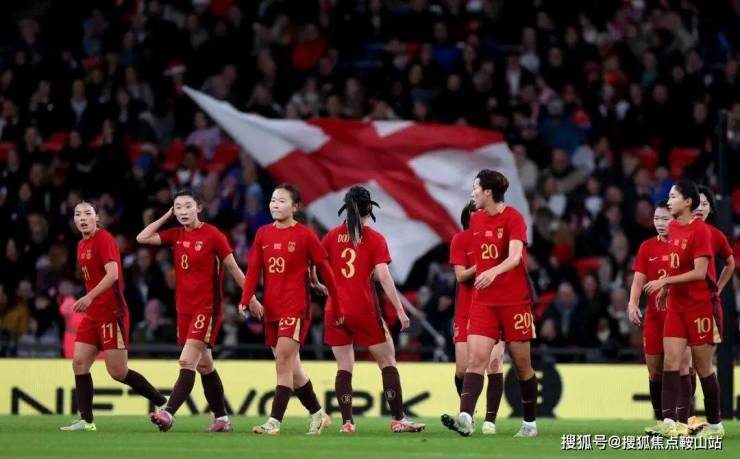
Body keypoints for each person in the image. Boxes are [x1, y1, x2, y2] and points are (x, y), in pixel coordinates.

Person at [137, 189, 260, 432]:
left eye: (187, 206)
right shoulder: (176, 234)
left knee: (186, 360)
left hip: (207, 308)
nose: (183, 211)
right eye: (178, 207)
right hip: (184, 310)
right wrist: (167, 216)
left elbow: (234, 269)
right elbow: (143, 237)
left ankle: (168, 414)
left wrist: (250, 297)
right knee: (205, 366)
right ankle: (222, 420)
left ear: (199, 208)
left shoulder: (213, 235)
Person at [319, 186, 424, 433]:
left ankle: (347, 422)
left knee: (344, 366)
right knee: (387, 360)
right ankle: (399, 419)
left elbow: (316, 265)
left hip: (334, 309)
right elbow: (384, 277)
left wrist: (318, 285)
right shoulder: (375, 238)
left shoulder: (331, 236)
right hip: (363, 308)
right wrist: (400, 311)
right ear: (370, 209)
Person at [239, 183, 342, 435]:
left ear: (295, 207)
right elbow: (253, 269)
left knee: (283, 362)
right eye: (273, 200)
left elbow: (325, 268)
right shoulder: (263, 233)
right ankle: (318, 414)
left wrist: (337, 303)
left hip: (295, 307)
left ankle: (274, 422)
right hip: (272, 309)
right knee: (293, 368)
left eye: (282, 201)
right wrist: (246, 298)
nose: (275, 205)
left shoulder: (305, 235)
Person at [441, 169, 538, 438]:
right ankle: (465, 417)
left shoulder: (514, 218)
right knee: (476, 360)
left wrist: (492, 272)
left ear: (488, 192)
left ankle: (529, 424)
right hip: (484, 301)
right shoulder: (477, 221)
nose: (472, 193)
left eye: (476, 188)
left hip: (514, 301)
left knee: (522, 364)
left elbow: (515, 257)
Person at [60, 201, 166, 432]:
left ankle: (161, 401)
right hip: (93, 314)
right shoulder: (81, 244)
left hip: (111, 312)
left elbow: (113, 275)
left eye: (87, 213)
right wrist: (89, 300)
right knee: (79, 363)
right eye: (78, 214)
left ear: (96, 217)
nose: (82, 218)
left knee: (117, 372)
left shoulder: (104, 239)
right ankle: (86, 421)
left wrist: (89, 297)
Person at [643, 181, 724, 438]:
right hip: (677, 307)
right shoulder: (674, 228)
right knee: (671, 361)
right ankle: (668, 422)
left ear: (687, 202)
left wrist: (665, 281)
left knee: (703, 367)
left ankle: (715, 424)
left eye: (673, 197)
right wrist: (667, 288)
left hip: (699, 307)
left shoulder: (701, 231)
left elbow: (699, 272)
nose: (668, 202)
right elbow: (676, 266)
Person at [627, 200, 693, 432]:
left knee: (683, 367)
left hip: (681, 315)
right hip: (655, 318)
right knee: (655, 371)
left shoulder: (686, 245)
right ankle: (661, 420)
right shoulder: (647, 247)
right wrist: (633, 302)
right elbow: (638, 280)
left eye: (665, 218)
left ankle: (684, 420)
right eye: (656, 218)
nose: (660, 223)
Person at [449, 201, 505, 434]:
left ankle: (489, 421)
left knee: (494, 363)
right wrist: (480, 266)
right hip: (465, 311)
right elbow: (461, 276)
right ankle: (468, 415)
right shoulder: (460, 240)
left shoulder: (498, 239)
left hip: (494, 307)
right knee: (463, 369)